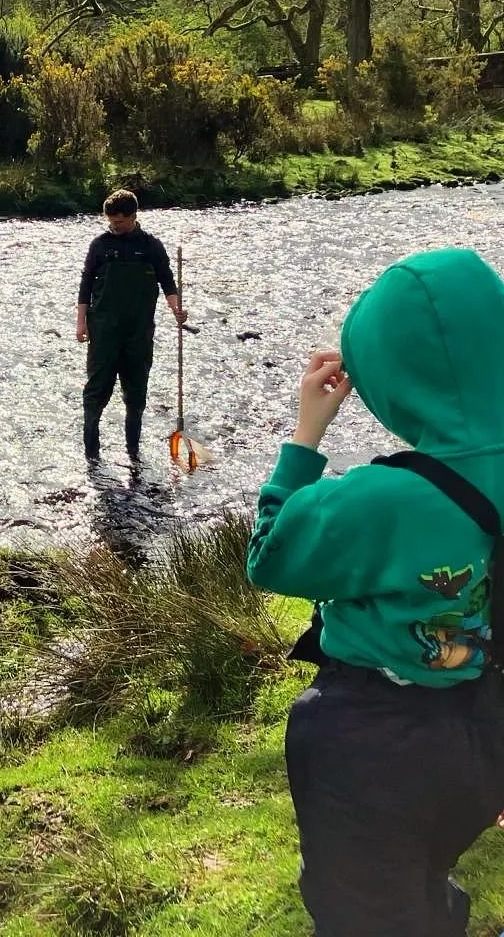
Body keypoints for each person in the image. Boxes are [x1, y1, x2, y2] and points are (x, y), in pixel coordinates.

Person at [246, 247, 504, 937]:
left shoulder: (386, 500)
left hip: (372, 748)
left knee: (367, 907)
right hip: (486, 736)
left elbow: (270, 555)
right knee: (424, 874)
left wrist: (306, 434)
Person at [75, 189, 184, 461]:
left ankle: (133, 452)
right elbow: (86, 285)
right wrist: (81, 324)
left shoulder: (151, 247)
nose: (115, 226)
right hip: (103, 330)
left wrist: (176, 308)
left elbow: (167, 281)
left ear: (134, 216)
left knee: (136, 392)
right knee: (97, 390)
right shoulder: (99, 245)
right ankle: (91, 452)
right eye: (111, 222)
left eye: (120, 222)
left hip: (139, 331)